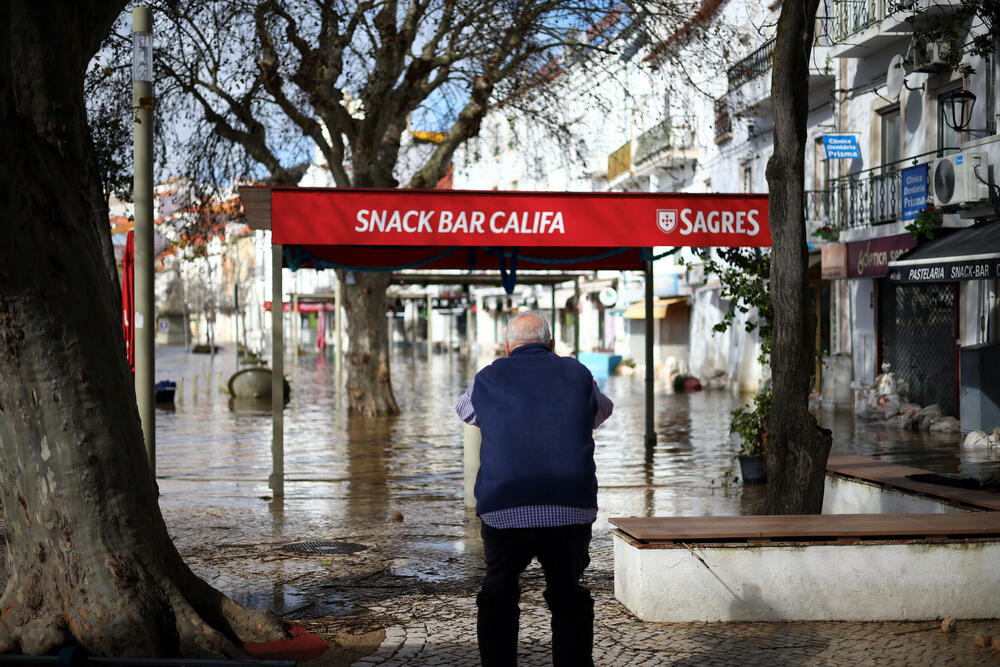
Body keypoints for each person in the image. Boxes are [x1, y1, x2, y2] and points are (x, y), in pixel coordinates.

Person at [455, 311, 613, 666]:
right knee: (567, 592)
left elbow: (466, 413)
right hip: (570, 506)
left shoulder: (488, 376)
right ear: (552, 345)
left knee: (499, 589)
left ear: (507, 347)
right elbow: (601, 413)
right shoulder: (578, 372)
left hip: (504, 507)